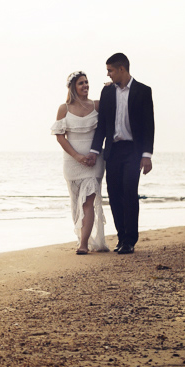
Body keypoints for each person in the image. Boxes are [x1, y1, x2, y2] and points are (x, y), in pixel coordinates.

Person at [89, 52, 154, 255]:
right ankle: (121, 237)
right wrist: (94, 150)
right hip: (113, 151)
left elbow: (148, 125)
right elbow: (102, 126)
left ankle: (130, 240)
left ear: (121, 69)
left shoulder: (143, 91)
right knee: (115, 195)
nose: (108, 74)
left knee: (129, 193)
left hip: (133, 151)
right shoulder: (107, 92)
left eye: (110, 70)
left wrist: (147, 155)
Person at [51, 71, 107, 254]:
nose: (85, 85)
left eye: (87, 82)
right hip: (73, 163)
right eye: (81, 83)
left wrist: (110, 89)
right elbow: (60, 137)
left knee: (88, 200)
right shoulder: (64, 109)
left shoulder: (98, 105)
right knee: (77, 203)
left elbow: (108, 124)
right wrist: (77, 156)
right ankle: (83, 238)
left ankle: (84, 244)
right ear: (73, 87)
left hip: (94, 162)